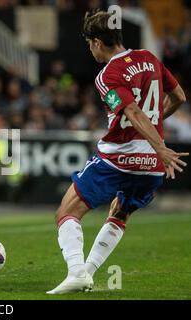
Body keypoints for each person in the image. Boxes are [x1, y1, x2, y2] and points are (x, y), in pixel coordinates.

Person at [46, 10, 188, 294]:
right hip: (150, 166)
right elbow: (180, 97)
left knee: (66, 212)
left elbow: (132, 110)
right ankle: (87, 273)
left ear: (98, 42)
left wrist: (160, 146)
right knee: (119, 214)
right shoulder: (150, 58)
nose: (90, 49)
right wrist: (155, 138)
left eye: (90, 43)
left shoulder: (108, 74)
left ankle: (76, 271)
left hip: (118, 158)